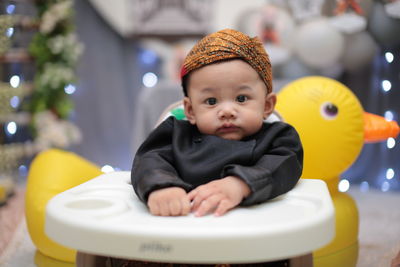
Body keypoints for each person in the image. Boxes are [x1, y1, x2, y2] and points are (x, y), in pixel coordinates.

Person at [131, 28, 303, 217]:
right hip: (185, 223)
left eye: (242, 98)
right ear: (190, 110)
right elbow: (149, 161)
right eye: (211, 101)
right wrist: (161, 186)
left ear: (267, 105)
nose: (227, 111)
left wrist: (241, 184)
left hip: (253, 229)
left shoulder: (278, 138)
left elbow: (285, 165)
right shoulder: (175, 135)